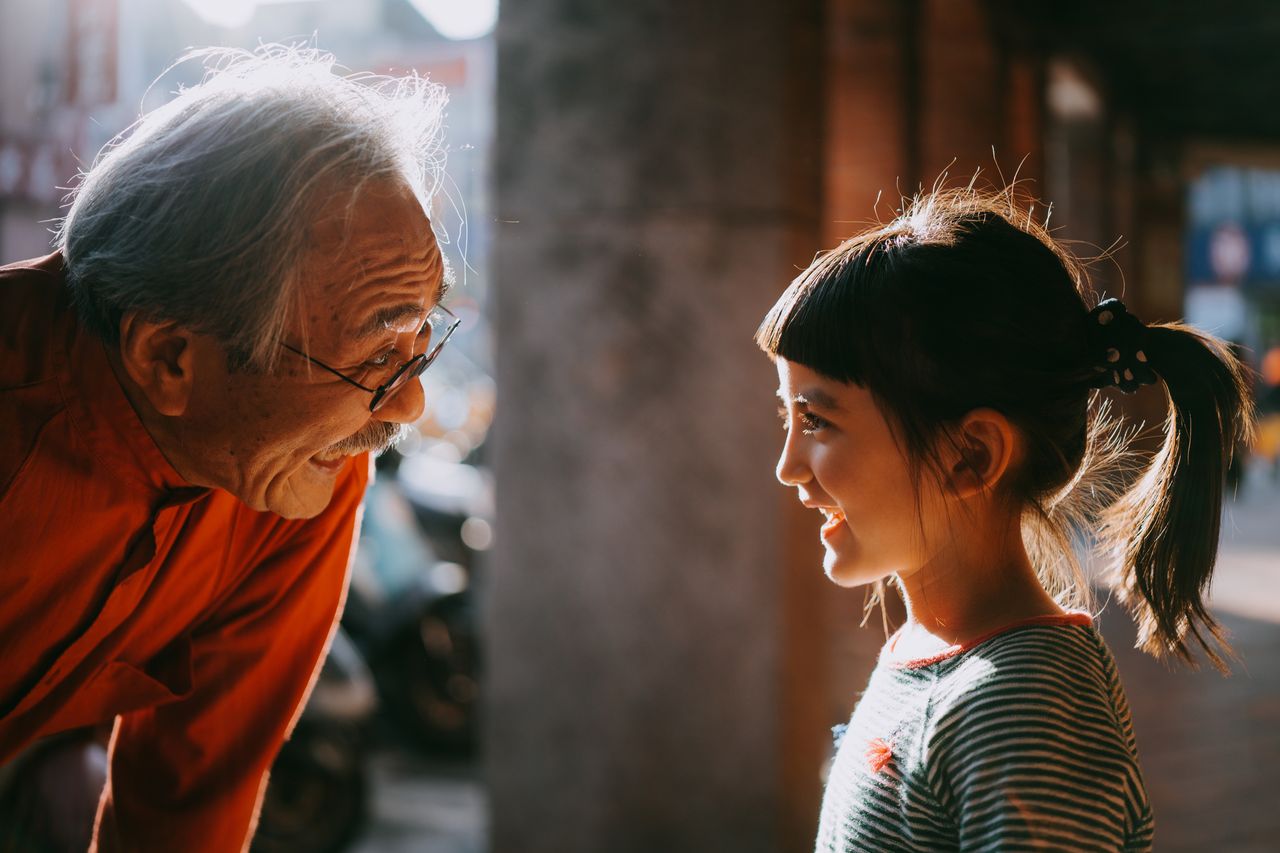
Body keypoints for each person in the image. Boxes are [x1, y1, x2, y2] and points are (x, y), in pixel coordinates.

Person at [0, 46, 453, 851]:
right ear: (169, 357)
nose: (410, 403)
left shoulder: (299, 474)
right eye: (374, 356)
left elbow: (187, 810)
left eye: (421, 343)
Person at [758, 188, 1253, 852]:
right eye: (789, 417)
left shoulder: (1026, 701)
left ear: (972, 455)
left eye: (818, 420)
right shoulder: (935, 658)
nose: (789, 464)